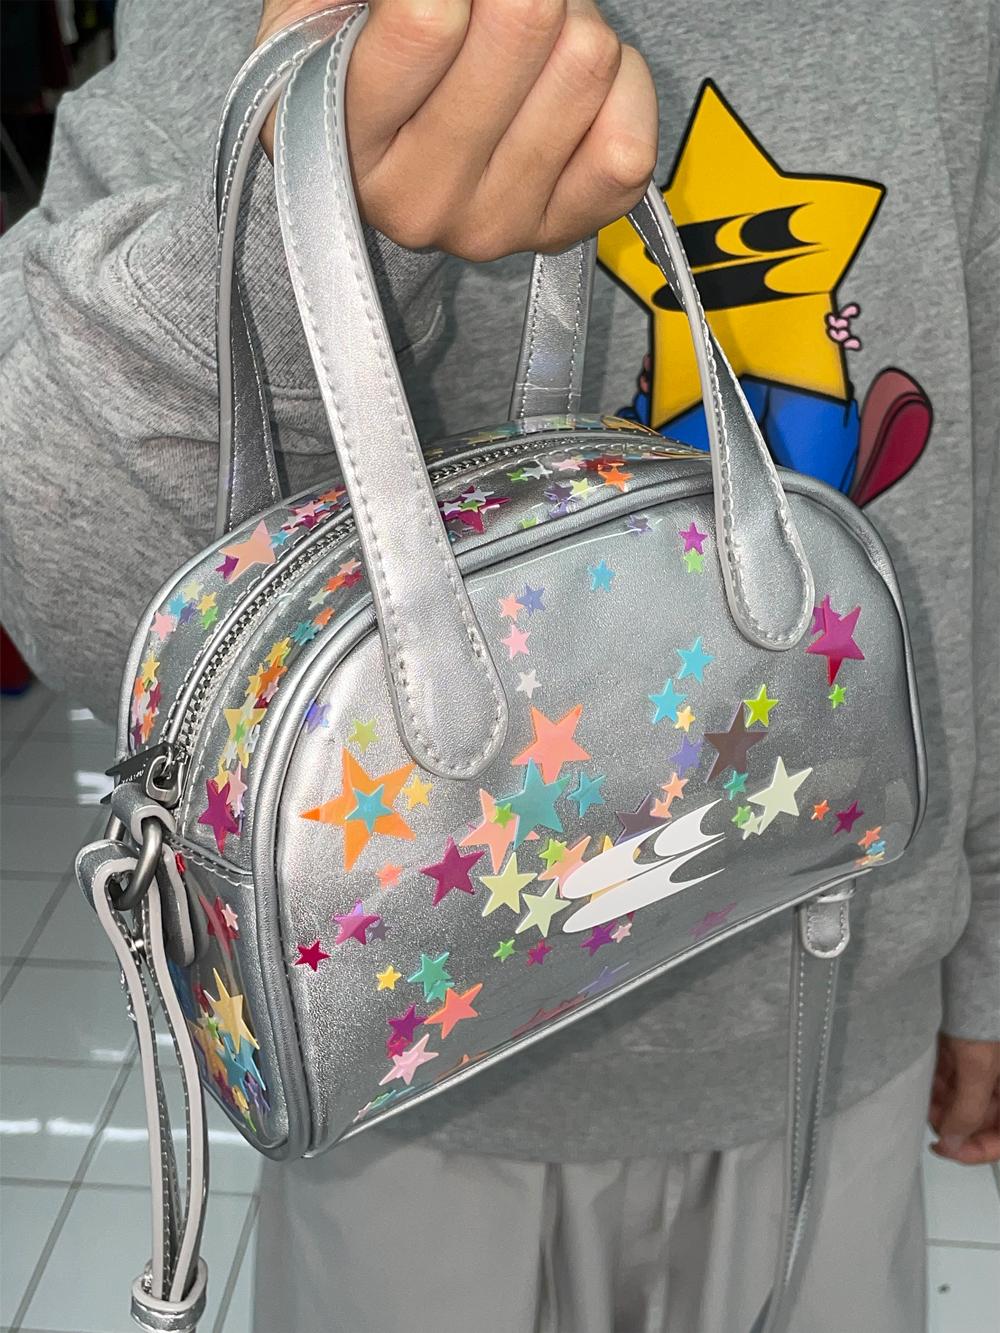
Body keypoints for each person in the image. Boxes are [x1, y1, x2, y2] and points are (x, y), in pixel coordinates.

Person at [1, 1, 997, 1329]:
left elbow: (982, 493)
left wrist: (989, 944)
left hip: (841, 1002)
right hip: (403, 1083)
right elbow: (73, 580)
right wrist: (312, 243)